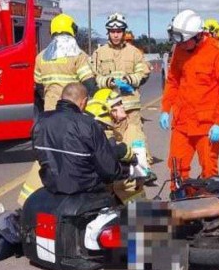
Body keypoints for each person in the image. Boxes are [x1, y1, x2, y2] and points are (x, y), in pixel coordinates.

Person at [159, 9, 219, 187]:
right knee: (177, 168)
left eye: (185, 42)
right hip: (182, 123)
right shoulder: (180, 49)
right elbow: (173, 82)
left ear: (199, 35)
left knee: (209, 171)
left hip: (207, 125)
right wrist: (165, 109)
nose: (182, 46)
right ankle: (179, 205)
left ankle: (208, 210)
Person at [32, 83, 124, 195]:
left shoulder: (41, 120)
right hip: (85, 190)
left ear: (61, 98)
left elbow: (39, 154)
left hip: (52, 188)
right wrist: (123, 170)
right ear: (84, 102)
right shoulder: (88, 124)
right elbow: (109, 171)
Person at [92, 12, 151, 159]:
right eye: (112, 32)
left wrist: (130, 79)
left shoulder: (134, 52)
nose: (116, 35)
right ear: (108, 33)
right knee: (110, 139)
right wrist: (106, 82)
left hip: (131, 106)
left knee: (135, 137)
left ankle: (141, 169)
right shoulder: (99, 53)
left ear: (124, 32)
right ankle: (115, 172)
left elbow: (144, 72)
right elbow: (93, 76)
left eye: (118, 31)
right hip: (109, 107)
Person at [34, 13, 97, 111]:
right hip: (72, 112)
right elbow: (90, 85)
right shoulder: (78, 55)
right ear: (73, 30)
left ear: (51, 31)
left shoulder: (40, 57)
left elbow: (39, 87)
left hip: (50, 111)